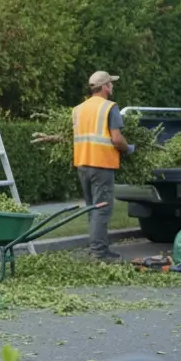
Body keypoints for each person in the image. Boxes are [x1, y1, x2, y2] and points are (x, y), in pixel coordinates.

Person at [72, 70, 134, 261]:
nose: (112, 86)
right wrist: (129, 148)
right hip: (101, 164)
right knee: (102, 209)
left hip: (82, 163)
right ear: (106, 87)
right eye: (111, 84)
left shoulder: (78, 109)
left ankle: (96, 248)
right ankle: (99, 252)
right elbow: (116, 138)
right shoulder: (109, 107)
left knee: (92, 208)